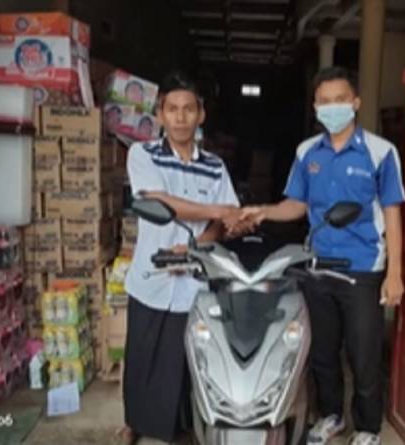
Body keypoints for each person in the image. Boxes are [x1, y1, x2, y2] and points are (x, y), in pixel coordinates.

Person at [239, 67, 405, 445]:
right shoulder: (307, 152)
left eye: (340, 100)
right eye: (325, 101)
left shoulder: (380, 152)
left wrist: (395, 273)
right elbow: (297, 205)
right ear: (315, 107)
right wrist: (264, 211)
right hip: (316, 265)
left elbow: (392, 212)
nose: (333, 107)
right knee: (322, 352)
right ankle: (331, 415)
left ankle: (367, 427)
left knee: (363, 355)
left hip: (363, 268)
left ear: (356, 102)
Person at [118, 71, 249, 445]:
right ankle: (134, 423)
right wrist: (215, 209)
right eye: (172, 109)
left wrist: (196, 247)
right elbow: (159, 201)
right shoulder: (142, 154)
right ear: (160, 114)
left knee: (187, 361)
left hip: (194, 281)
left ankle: (183, 428)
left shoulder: (215, 166)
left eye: (188, 109)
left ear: (200, 114)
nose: (180, 117)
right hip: (152, 277)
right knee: (142, 356)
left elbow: (225, 221)